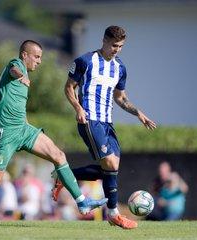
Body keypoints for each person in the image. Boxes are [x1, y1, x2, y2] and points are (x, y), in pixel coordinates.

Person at [0, 40, 107, 226]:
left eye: (40, 57)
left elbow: (16, 103)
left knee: (59, 155)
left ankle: (82, 202)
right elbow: (13, 69)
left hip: (23, 129)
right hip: (6, 132)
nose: (39, 61)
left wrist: (25, 122)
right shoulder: (17, 65)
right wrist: (20, 76)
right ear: (24, 55)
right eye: (37, 56)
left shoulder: (25, 74)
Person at [52, 26, 156, 229]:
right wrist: (78, 108)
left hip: (107, 123)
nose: (117, 49)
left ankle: (64, 176)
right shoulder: (85, 61)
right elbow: (68, 87)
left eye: (121, 46)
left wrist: (138, 113)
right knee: (109, 163)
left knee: (111, 169)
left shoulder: (120, 67)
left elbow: (120, 98)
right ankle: (114, 213)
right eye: (114, 45)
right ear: (104, 41)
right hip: (89, 120)